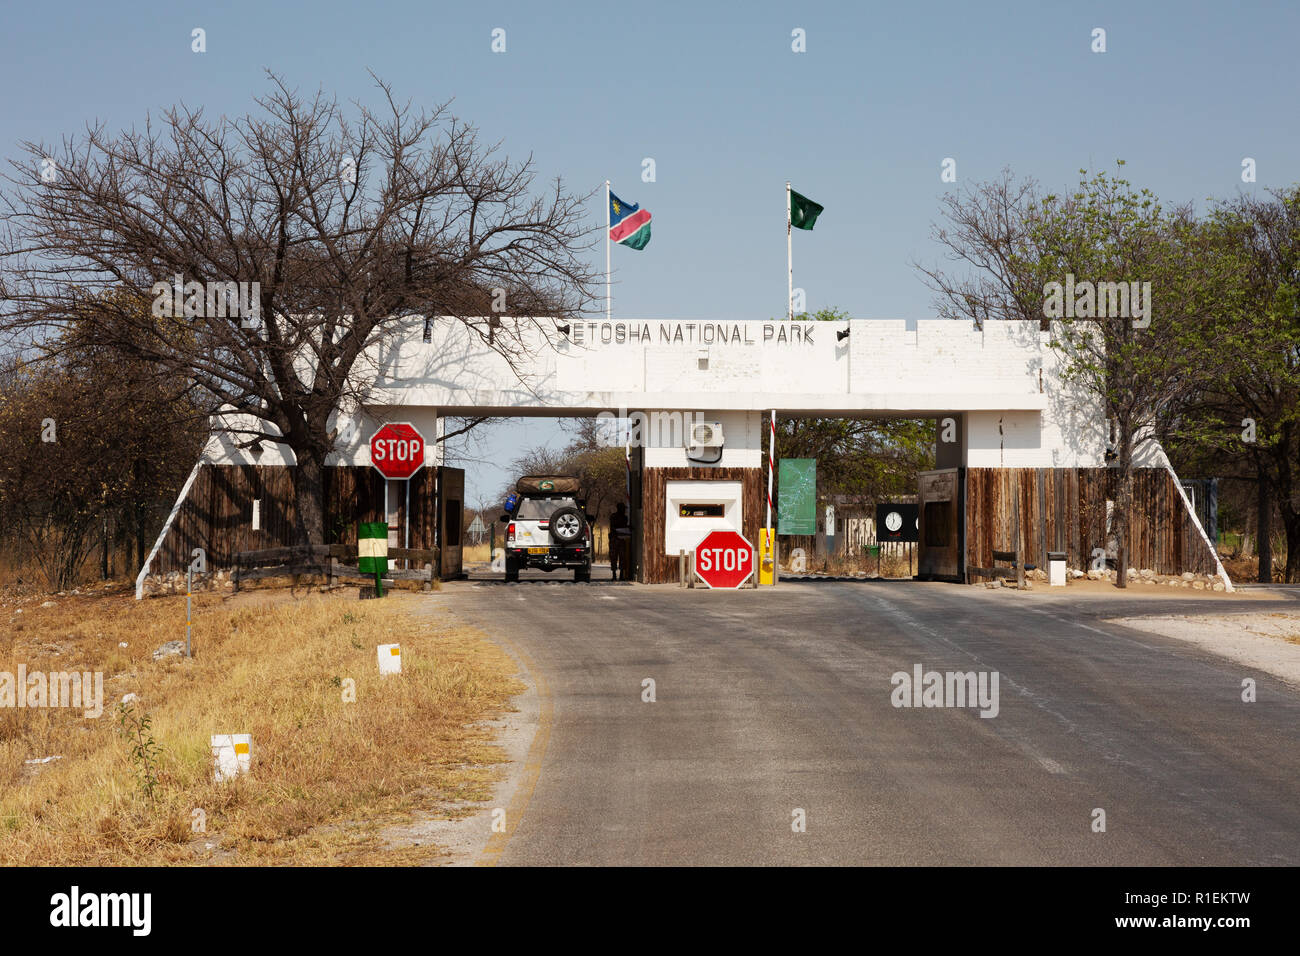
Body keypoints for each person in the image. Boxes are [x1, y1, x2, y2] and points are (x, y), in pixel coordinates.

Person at [609, 502, 631, 580]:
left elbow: (624, 526)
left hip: (621, 539)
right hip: (615, 539)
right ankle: (614, 575)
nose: (624, 510)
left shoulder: (625, 517)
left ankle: (621, 575)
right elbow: (613, 527)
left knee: (622, 557)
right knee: (614, 557)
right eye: (623, 509)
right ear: (619, 509)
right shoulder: (613, 516)